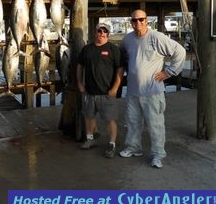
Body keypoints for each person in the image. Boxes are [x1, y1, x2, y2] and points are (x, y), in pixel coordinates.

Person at [119, 9, 186, 168]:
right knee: (133, 123)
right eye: (134, 21)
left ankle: (158, 155)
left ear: (146, 20)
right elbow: (123, 56)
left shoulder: (156, 37)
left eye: (141, 19)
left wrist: (169, 72)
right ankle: (133, 148)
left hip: (153, 92)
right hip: (133, 91)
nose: (138, 23)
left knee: (155, 125)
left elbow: (180, 51)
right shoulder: (127, 39)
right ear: (131, 22)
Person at [76, 23, 123, 158]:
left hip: (107, 93)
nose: (101, 33)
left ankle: (112, 144)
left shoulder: (113, 49)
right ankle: (90, 139)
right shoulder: (87, 49)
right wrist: (80, 83)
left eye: (104, 31)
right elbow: (80, 66)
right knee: (89, 116)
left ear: (108, 34)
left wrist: (115, 88)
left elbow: (120, 69)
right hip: (89, 92)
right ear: (94, 32)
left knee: (110, 119)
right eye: (99, 31)